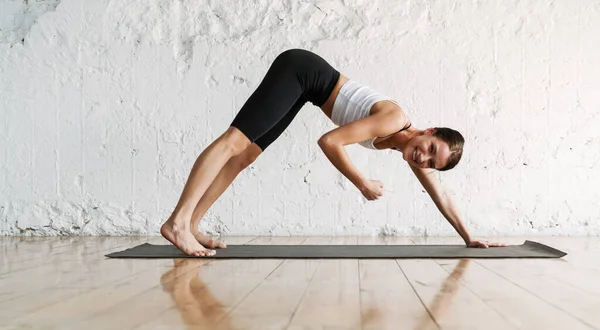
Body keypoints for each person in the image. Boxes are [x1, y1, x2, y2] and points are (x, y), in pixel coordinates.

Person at [160, 48, 507, 256]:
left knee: (245, 155)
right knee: (234, 142)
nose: (424, 159)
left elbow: (441, 194)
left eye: (432, 161)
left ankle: (193, 223)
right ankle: (178, 222)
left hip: (306, 89)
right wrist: (361, 182)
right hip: (299, 70)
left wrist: (469, 237)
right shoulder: (395, 121)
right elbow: (329, 141)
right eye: (431, 149)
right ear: (429, 130)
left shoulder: (410, 148)